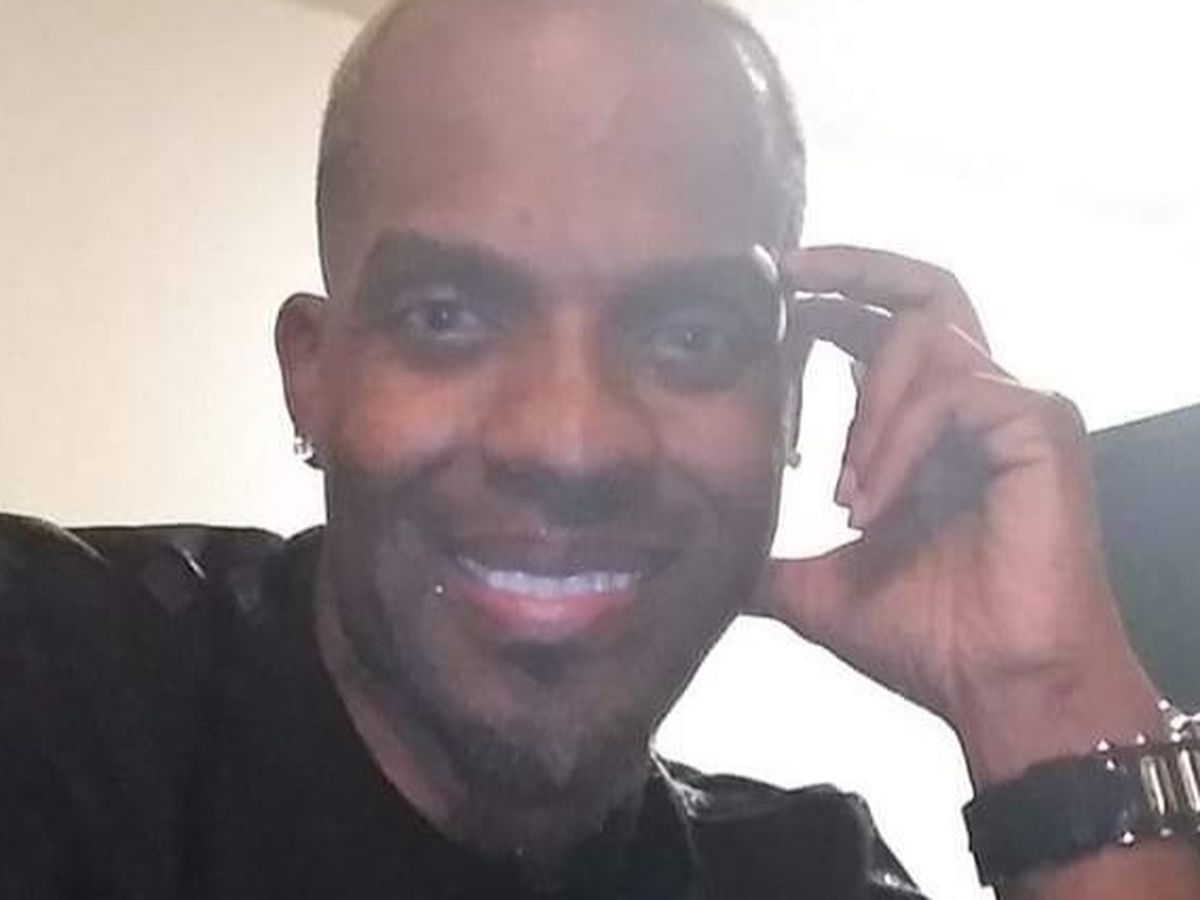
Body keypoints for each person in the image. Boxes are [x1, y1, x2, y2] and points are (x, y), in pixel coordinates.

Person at [2, 0, 1197, 897]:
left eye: (689, 335)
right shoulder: (49, 677)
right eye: (448, 317)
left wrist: (1046, 705)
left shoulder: (807, 877)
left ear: (788, 407)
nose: (571, 443)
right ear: (312, 375)